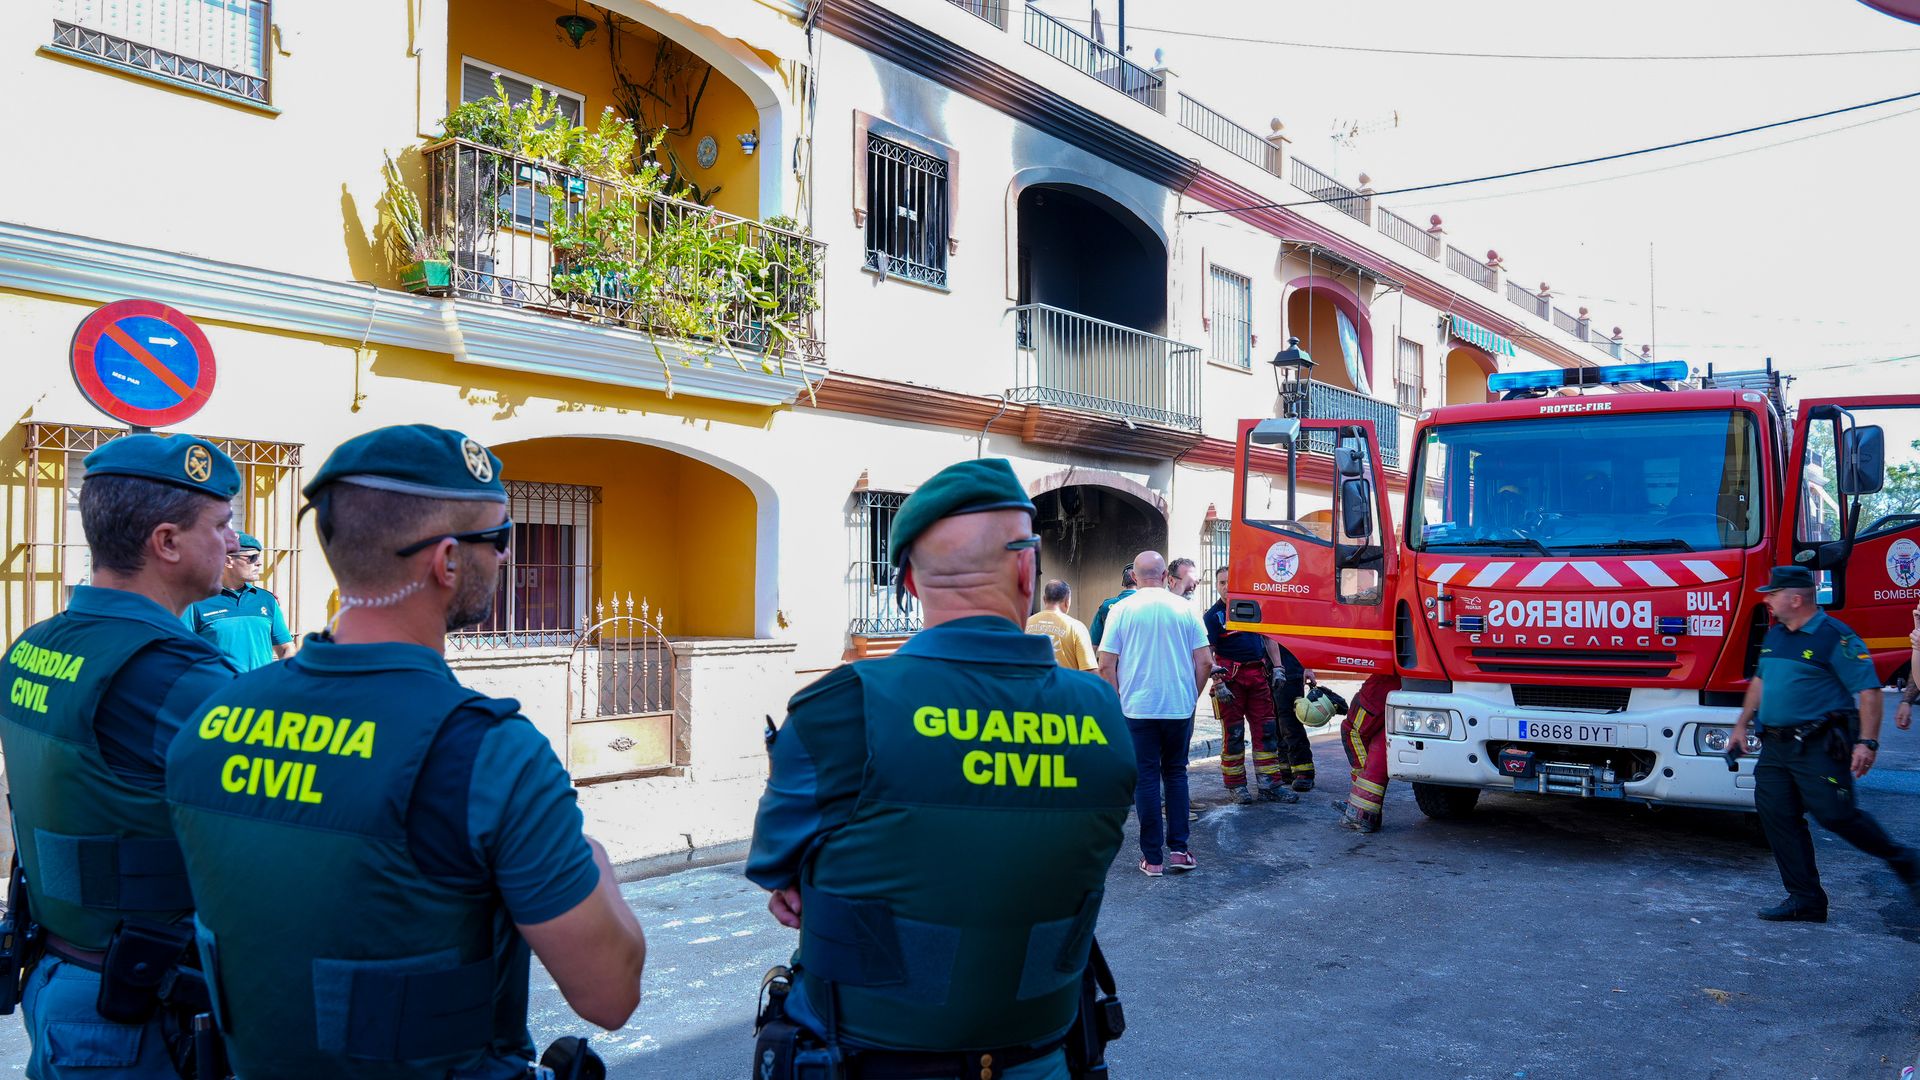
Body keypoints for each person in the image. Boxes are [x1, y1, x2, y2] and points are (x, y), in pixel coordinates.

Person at [166, 425, 647, 1077]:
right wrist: (596, 865)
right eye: (500, 539)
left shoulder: (211, 717)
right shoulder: (489, 753)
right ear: (446, 562)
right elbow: (610, 996)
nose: (507, 558)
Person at [747, 457, 1135, 1078]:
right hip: (1041, 1055)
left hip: (863, 1059)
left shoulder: (842, 706)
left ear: (906, 583)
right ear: (1027, 566)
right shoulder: (1102, 713)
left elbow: (780, 873)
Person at [0, 432, 241, 1079]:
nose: (234, 545)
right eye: (221, 525)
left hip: (59, 978)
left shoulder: (35, 644)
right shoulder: (175, 678)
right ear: (165, 542)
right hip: (133, 1015)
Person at [1729, 566, 1920, 922]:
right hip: (1775, 745)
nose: (1767, 600)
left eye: (1773, 594)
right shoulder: (1776, 635)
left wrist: (1867, 742)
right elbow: (1760, 681)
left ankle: (1906, 861)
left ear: (1796, 598)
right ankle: (1806, 898)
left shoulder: (1837, 637)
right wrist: (1740, 725)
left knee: (1836, 815)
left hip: (1819, 744)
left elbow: (1869, 691)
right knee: (1777, 816)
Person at [1099, 551, 1212, 876]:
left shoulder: (1120, 609)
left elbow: (1106, 664)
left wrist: (1118, 702)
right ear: (1165, 577)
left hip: (1136, 709)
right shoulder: (1187, 609)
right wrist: (1190, 697)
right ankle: (1179, 850)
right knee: (1176, 773)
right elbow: (1204, 661)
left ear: (1134, 577)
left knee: (1146, 777)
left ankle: (1153, 859)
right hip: (1178, 707)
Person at [1202, 566, 1294, 805]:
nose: (1225, 587)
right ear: (1216, 585)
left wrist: (1279, 668)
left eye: (1228, 582)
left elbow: (1268, 637)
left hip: (1257, 677)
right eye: (1221, 582)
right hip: (1230, 682)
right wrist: (1218, 682)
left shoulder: (1254, 608)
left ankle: (1270, 785)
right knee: (1233, 734)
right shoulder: (1213, 616)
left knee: (1266, 731)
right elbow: (1209, 652)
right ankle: (1236, 786)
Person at [182, 530, 296, 671]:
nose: (259, 563)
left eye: (258, 557)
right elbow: (180, 653)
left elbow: (287, 648)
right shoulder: (196, 601)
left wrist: (278, 679)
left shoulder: (266, 600)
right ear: (228, 561)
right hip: (220, 691)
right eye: (252, 558)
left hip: (261, 690)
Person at [1337, 672, 1402, 832]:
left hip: (1394, 674)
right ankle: (1365, 808)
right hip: (1426, 677)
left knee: (1353, 730)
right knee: (1385, 730)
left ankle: (1361, 809)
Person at [1268, 640, 1319, 792]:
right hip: (1266, 669)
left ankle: (1304, 772)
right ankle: (1285, 768)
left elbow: (1305, 634)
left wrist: (1308, 667)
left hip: (1290, 668)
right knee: (1273, 721)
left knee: (1290, 722)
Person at [1027, 579, 1098, 672]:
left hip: (1030, 685)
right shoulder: (1076, 627)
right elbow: (1090, 671)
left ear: (1044, 599)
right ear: (1067, 601)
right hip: (1066, 685)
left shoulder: (1026, 624)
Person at [1087, 564, 1136, 650]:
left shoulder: (1106, 605)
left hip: (1111, 661)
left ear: (1124, 583)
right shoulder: (1149, 605)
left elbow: (1093, 645)